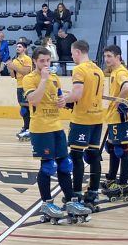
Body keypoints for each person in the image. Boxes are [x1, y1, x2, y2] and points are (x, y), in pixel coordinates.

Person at [22, 47, 91, 223]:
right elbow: (34, 100)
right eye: (42, 61)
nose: (46, 64)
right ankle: (46, 203)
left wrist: (62, 101)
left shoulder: (54, 78)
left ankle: (70, 201)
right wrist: (43, 80)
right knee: (48, 167)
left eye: (48, 60)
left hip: (56, 125)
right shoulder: (29, 79)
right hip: (40, 128)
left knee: (65, 164)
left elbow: (60, 99)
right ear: (35, 62)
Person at [66, 39, 105, 211]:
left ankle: (76, 194)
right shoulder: (98, 69)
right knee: (94, 155)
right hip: (97, 118)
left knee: (76, 155)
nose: (72, 56)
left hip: (82, 118)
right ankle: (93, 192)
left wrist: (62, 100)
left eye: (72, 53)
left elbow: (77, 94)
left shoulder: (79, 69)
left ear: (77, 52)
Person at [102, 45, 128, 201]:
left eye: (109, 56)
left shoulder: (121, 72)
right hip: (113, 117)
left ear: (118, 57)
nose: (107, 59)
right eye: (105, 56)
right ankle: (112, 179)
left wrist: (116, 101)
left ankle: (123, 185)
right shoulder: (113, 72)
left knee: (122, 150)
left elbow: (127, 87)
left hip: (120, 117)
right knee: (113, 149)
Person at [7, 39, 34, 140]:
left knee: (26, 108)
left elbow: (26, 72)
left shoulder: (27, 59)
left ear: (25, 49)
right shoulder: (15, 60)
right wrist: (10, 68)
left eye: (20, 47)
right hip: (19, 86)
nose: (17, 48)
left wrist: (14, 66)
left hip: (27, 85)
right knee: (23, 109)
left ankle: (29, 128)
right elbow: (13, 76)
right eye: (17, 47)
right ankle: (26, 127)